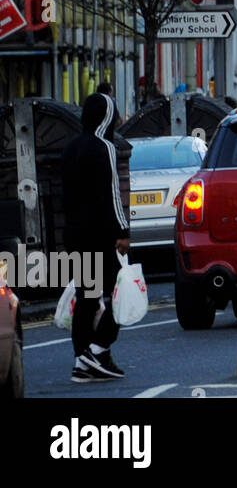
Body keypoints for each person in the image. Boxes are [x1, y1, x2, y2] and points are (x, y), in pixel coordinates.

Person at [63, 93, 129, 383]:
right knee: (121, 294)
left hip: (75, 234)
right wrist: (122, 231)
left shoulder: (70, 148)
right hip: (102, 235)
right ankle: (98, 348)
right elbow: (112, 195)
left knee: (86, 298)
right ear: (107, 117)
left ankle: (82, 362)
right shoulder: (105, 147)